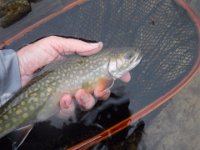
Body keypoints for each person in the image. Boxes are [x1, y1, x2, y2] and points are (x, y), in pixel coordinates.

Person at [0, 36, 131, 117]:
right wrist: (16, 67)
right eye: (128, 57)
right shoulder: (106, 77)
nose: (131, 58)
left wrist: (15, 68)